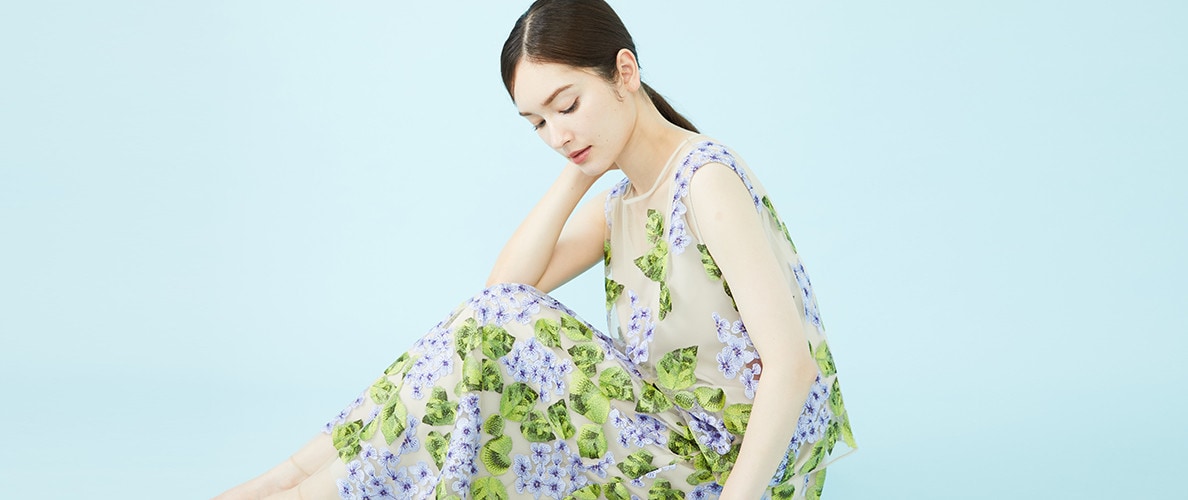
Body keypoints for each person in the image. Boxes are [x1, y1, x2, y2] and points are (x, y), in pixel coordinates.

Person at [214, 0, 856, 498]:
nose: (556, 135)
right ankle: (289, 482)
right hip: (667, 441)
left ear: (625, 72)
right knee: (484, 335)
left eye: (567, 105)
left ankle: (296, 489)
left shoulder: (705, 180)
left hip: (737, 471)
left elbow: (792, 367)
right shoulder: (623, 201)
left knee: (496, 331)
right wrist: (580, 169)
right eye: (538, 123)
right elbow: (503, 292)